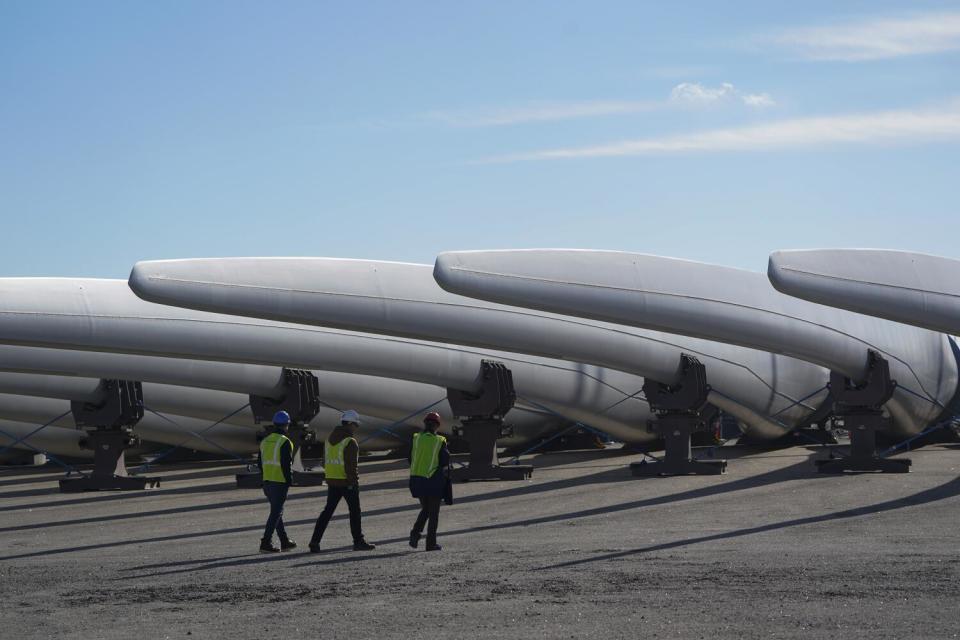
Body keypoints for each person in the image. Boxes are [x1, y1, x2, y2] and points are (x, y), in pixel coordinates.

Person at [308, 409, 376, 552]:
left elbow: (324, 463)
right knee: (355, 512)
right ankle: (358, 541)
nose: (356, 428)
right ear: (350, 424)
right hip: (347, 482)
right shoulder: (350, 442)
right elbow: (351, 466)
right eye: (356, 425)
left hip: (332, 481)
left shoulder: (328, 440)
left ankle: (314, 542)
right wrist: (353, 483)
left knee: (327, 512)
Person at [408, 411, 452, 551]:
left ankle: (415, 533)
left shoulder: (416, 438)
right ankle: (430, 543)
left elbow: (410, 458)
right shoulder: (439, 440)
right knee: (433, 513)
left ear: (425, 424)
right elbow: (445, 460)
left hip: (416, 480)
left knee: (426, 509)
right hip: (432, 480)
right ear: (437, 426)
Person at [259, 410, 297, 553]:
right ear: (286, 425)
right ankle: (265, 543)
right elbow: (286, 464)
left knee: (277, 512)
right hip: (279, 482)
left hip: (267, 481)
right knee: (276, 513)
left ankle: (284, 541)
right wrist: (289, 481)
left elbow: (260, 462)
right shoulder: (285, 442)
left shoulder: (265, 441)